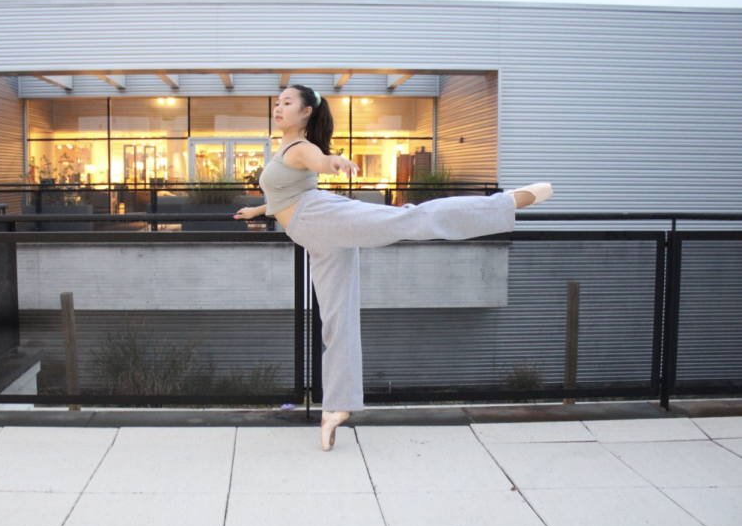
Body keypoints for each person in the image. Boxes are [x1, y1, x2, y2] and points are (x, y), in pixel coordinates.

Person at [235, 84, 552, 451]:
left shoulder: (302, 147)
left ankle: (504, 203)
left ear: (306, 112)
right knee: (337, 320)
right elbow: (283, 192)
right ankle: (336, 408)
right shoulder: (284, 148)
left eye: (287, 102)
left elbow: (319, 163)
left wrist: (333, 162)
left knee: (408, 219)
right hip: (315, 237)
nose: (278, 107)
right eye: (277, 103)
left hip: (320, 217)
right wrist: (258, 210)